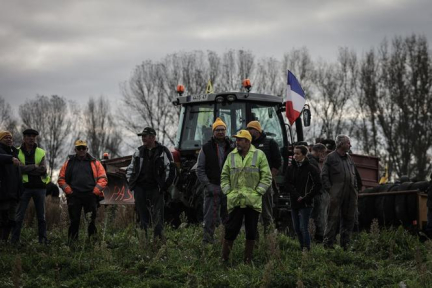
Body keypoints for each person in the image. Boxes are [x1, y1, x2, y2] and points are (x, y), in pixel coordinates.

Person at [220, 130, 272, 264]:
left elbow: (266, 177)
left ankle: (248, 261)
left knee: (251, 231)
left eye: (240, 139)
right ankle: (224, 260)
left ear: (248, 141)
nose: (237, 142)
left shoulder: (259, 155)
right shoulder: (231, 156)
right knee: (231, 230)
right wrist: (228, 193)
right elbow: (224, 176)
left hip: (252, 201)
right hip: (236, 200)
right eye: (237, 139)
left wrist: (258, 193)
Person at [126, 127, 176, 240]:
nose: (143, 138)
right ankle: (144, 241)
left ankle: (157, 241)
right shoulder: (138, 151)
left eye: (145, 136)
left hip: (156, 189)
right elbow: (130, 169)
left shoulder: (163, 151)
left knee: (158, 217)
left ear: (153, 137)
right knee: (142, 217)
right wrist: (132, 184)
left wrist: (163, 187)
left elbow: (171, 170)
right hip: (140, 189)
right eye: (142, 136)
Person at [58, 140, 107, 242]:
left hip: (90, 196)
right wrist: (69, 191)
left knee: (91, 221)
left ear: (87, 149)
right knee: (74, 221)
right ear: (75, 150)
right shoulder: (68, 163)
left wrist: (95, 192)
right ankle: (72, 244)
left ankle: (93, 244)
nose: (81, 150)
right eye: (79, 148)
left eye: (83, 148)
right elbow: (61, 179)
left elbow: (103, 179)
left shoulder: (95, 162)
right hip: (74, 196)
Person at [196, 118, 233, 244]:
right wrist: (208, 185)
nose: (221, 132)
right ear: (213, 132)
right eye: (218, 130)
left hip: (228, 188)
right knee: (210, 218)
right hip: (212, 187)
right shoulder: (206, 148)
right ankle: (207, 242)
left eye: (223, 130)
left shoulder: (232, 147)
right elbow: (200, 169)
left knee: (228, 217)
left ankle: (227, 242)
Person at [322, 135, 362, 250]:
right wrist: (330, 190)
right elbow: (324, 175)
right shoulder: (330, 158)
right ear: (341, 144)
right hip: (336, 195)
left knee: (349, 219)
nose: (350, 145)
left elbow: (356, 175)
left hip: (350, 195)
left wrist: (357, 188)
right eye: (348, 143)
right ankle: (328, 244)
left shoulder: (349, 159)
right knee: (332, 219)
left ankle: (345, 245)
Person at [12, 128, 50, 244]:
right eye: (28, 136)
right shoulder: (16, 152)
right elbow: (18, 169)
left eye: (33, 136)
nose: (31, 138)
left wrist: (27, 168)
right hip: (24, 188)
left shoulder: (41, 152)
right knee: (19, 216)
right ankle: (14, 242)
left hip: (40, 188)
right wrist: (34, 166)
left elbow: (43, 170)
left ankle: (42, 241)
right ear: (24, 138)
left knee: (41, 217)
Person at [246, 121, 281, 235]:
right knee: (251, 213)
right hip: (250, 184)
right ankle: (253, 240)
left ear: (257, 130)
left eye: (251, 129)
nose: (249, 131)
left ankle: (269, 238)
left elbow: (276, 163)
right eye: (248, 129)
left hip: (265, 183)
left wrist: (268, 179)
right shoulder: (247, 144)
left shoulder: (270, 143)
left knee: (266, 213)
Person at [285, 145, 321, 251]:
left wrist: (306, 197)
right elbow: (287, 183)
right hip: (294, 201)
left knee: (303, 227)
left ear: (304, 155)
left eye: (297, 154)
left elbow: (318, 185)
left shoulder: (311, 169)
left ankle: (307, 249)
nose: (295, 156)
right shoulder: (291, 168)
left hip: (306, 203)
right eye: (294, 153)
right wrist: (296, 195)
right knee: (297, 228)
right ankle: (302, 248)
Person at [0, 131, 23, 242]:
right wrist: (10, 159)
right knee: (2, 219)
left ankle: (4, 241)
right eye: (6, 138)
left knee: (11, 219)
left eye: (10, 138)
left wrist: (20, 191)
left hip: (14, 194)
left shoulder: (15, 152)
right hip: (3, 193)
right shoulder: (3, 153)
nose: (9, 139)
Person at [307, 143, 328, 243]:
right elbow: (316, 180)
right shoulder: (311, 162)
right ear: (319, 152)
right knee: (315, 216)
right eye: (323, 153)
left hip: (312, 193)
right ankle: (314, 239)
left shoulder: (310, 161)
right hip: (315, 194)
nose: (323, 155)